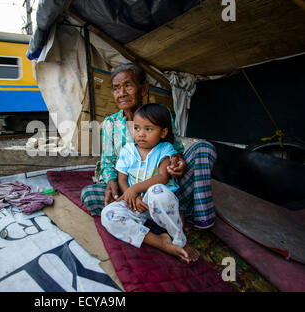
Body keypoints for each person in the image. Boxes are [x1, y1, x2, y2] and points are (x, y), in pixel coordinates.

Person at [81, 63, 217, 230]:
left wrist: (177, 160)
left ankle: (197, 218)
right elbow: (108, 162)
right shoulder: (111, 123)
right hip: (130, 190)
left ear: (144, 89)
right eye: (116, 88)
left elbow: (176, 150)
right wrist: (111, 181)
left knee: (203, 148)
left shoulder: (161, 113)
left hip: (165, 189)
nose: (122, 93)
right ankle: (164, 215)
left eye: (128, 85)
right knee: (89, 195)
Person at [101, 103, 199, 263]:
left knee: (157, 191)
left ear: (163, 132)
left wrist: (134, 189)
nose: (141, 134)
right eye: (137, 128)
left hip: (158, 204)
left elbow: (163, 177)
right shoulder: (127, 150)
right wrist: (131, 196)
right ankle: (160, 241)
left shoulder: (165, 149)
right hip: (137, 204)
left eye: (148, 129)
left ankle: (180, 239)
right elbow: (122, 179)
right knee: (107, 215)